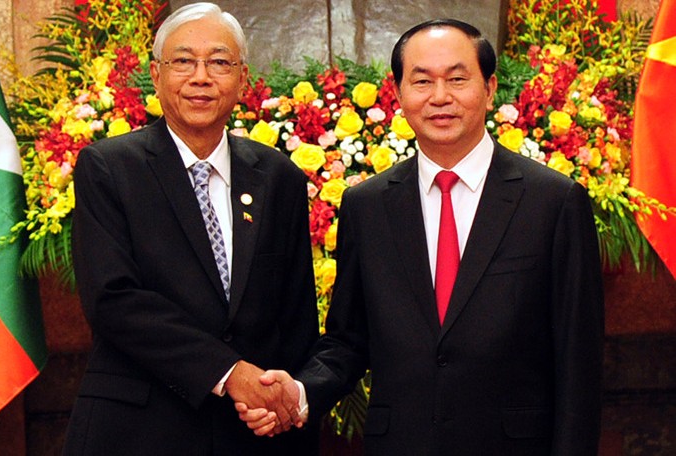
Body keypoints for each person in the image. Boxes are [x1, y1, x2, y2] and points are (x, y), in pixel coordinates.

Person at [238, 19, 604, 455]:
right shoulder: (367, 205)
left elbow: (579, 364)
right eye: (422, 81)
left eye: (457, 79)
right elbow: (348, 340)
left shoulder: (553, 202)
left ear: (489, 89)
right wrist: (300, 393)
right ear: (398, 93)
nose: (440, 97)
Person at [62, 3, 319, 455]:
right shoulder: (109, 168)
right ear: (156, 75)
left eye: (219, 62)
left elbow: (296, 319)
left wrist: (286, 401)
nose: (201, 77)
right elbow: (113, 299)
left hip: (254, 434)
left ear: (242, 78)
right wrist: (229, 372)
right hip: (139, 431)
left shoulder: (278, 177)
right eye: (183, 61)